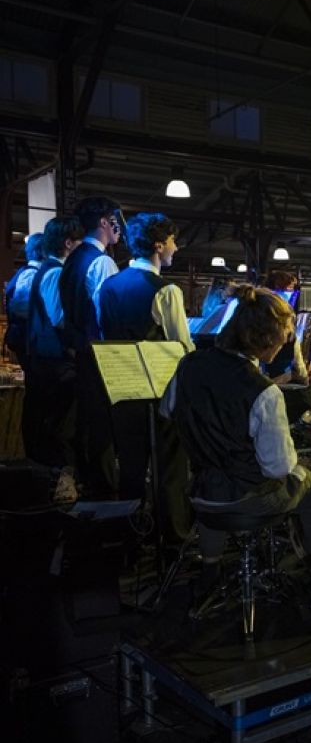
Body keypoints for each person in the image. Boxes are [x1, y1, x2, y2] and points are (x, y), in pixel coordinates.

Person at [162, 285, 311, 603]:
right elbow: (278, 467)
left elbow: (167, 409)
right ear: (265, 339)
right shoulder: (262, 390)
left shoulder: (189, 365)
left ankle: (210, 572)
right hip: (245, 499)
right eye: (283, 337)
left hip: (201, 494)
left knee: (216, 477)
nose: (284, 345)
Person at [96, 212, 193, 536]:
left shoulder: (108, 287)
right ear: (158, 245)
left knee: (131, 470)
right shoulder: (166, 291)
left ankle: (130, 539)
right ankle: (173, 537)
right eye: (172, 242)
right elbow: (183, 348)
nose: (175, 249)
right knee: (170, 470)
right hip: (160, 392)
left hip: (122, 389)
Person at [60, 196, 122, 495]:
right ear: (104, 222)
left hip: (78, 350)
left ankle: (89, 483)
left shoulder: (73, 257)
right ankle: (105, 491)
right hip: (99, 353)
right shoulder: (102, 261)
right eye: (115, 220)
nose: (118, 226)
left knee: (86, 423)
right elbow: (109, 314)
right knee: (102, 428)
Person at [24, 217, 82, 501]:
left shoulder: (46, 270)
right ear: (68, 243)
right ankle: (58, 484)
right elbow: (59, 318)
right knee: (59, 424)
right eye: (78, 241)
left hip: (46, 360)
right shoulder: (55, 273)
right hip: (55, 363)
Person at [4, 232, 43, 370]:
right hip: (27, 339)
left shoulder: (27, 272)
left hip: (25, 338)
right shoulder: (31, 274)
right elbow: (21, 308)